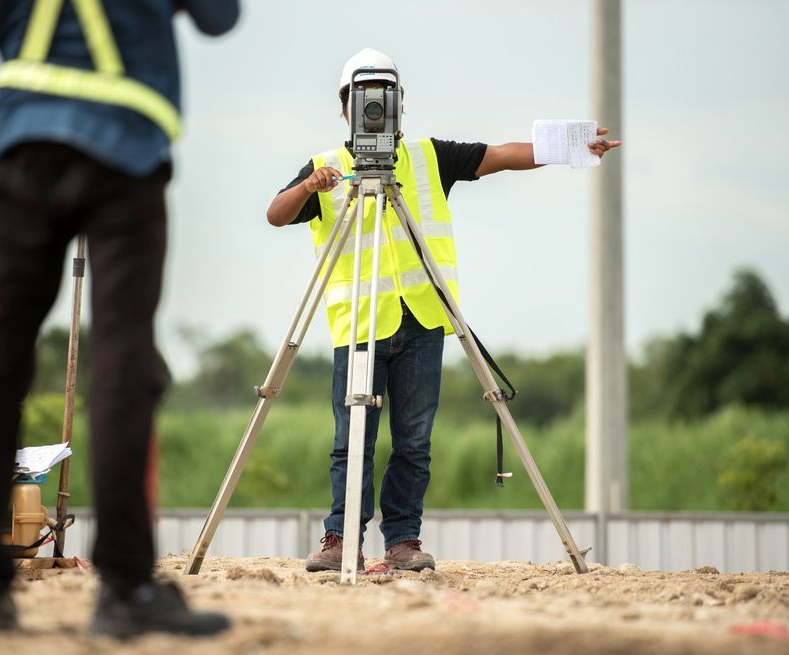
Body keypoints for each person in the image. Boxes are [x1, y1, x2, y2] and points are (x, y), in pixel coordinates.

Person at [266, 48, 620, 573]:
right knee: (352, 440)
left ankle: (402, 542)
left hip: (425, 321)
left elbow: (500, 155)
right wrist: (308, 187)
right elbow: (276, 215)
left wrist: (571, 147)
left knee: (414, 440)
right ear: (345, 107)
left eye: (382, 99)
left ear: (398, 104)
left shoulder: (429, 157)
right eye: (363, 100)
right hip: (360, 325)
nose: (373, 109)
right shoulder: (327, 170)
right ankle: (340, 539)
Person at [0, 0, 239, 637]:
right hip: (126, 150)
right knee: (123, 359)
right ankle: (125, 589)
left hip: (22, 135)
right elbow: (221, 17)